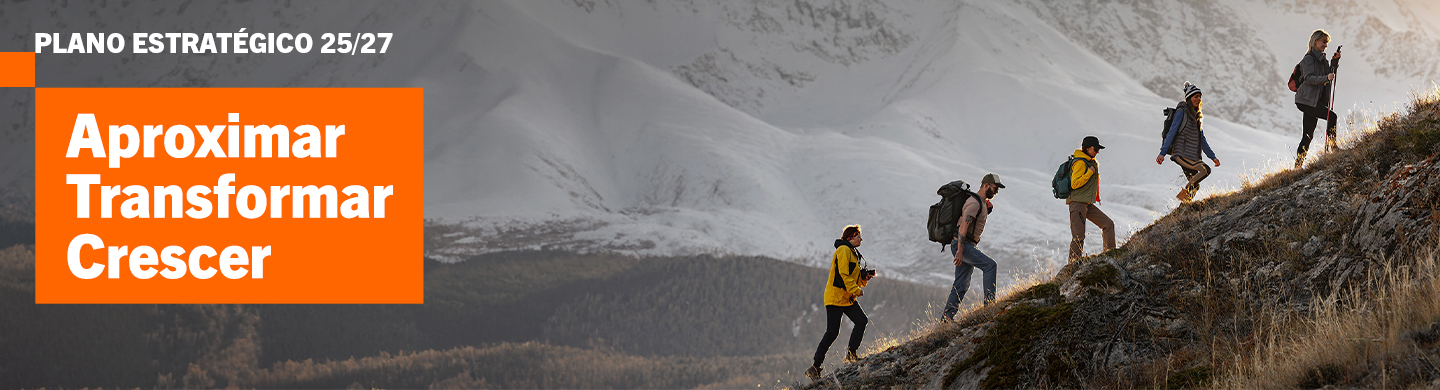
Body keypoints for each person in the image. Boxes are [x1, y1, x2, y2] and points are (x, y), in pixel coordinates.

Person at [806, 224, 873, 380]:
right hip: (836, 298)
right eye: (858, 236)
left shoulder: (852, 252)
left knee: (861, 321)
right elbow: (843, 275)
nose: (861, 239)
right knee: (832, 332)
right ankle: (815, 367)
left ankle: (851, 355)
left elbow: (853, 278)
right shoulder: (843, 250)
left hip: (847, 298)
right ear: (850, 237)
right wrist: (857, 290)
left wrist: (864, 279)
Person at [940, 173, 1004, 322]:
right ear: (986, 185)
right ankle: (990, 308)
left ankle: (946, 320)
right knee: (990, 266)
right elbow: (964, 226)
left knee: (961, 284)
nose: (996, 191)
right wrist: (960, 251)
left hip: (965, 245)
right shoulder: (974, 202)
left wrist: (986, 210)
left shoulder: (980, 203)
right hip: (962, 245)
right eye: (995, 188)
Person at [1157, 82, 1221, 202]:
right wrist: (1162, 153)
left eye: (1199, 96)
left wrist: (1213, 157)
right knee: (1205, 170)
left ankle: (1182, 208)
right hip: (1181, 153)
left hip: (1191, 156)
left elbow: (1202, 140)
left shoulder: (1196, 116)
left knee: (1195, 186)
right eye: (1195, 97)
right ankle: (1182, 198)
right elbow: (1172, 131)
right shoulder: (1181, 112)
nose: (1199, 99)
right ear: (1189, 98)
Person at [1294, 29, 1342, 168]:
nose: (1325, 45)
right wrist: (1326, 78)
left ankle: (1297, 167)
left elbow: (1329, 74)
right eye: (1323, 42)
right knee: (1331, 116)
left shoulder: (1323, 59)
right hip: (1306, 100)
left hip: (1312, 101)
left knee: (1307, 136)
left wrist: (1334, 62)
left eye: (1326, 43)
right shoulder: (1308, 59)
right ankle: (1334, 149)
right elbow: (1309, 78)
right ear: (1315, 41)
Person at [1068, 136, 1115, 261]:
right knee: (1078, 238)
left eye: (1098, 149)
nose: (1097, 152)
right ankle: (1072, 268)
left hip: (1086, 203)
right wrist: (1089, 172)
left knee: (1108, 224)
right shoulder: (1080, 162)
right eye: (1095, 149)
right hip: (1077, 203)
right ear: (1087, 148)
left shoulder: (1089, 162)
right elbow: (1074, 183)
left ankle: (1110, 256)